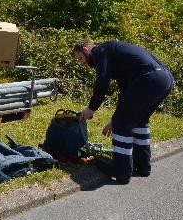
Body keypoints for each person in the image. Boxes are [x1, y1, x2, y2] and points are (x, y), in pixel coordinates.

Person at [73, 39, 174, 184]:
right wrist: (116, 118)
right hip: (164, 79)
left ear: (86, 49)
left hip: (147, 80)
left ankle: (121, 171)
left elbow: (102, 80)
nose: (81, 63)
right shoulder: (116, 53)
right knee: (139, 122)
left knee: (122, 126)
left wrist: (91, 108)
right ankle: (142, 166)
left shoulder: (101, 51)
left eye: (80, 58)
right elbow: (125, 91)